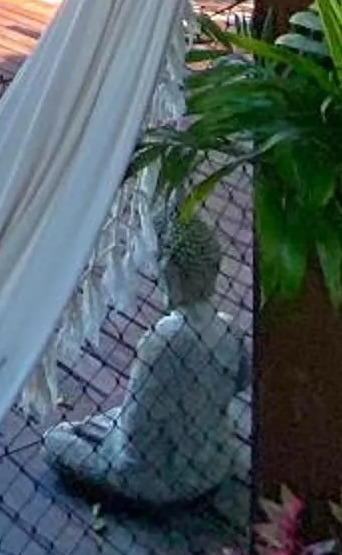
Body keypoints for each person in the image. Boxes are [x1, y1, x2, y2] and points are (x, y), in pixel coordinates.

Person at [43, 211, 246, 510]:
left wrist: (107, 434)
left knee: (55, 441)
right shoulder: (229, 327)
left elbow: (135, 435)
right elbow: (238, 385)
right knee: (112, 418)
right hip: (213, 461)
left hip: (153, 479)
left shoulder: (162, 339)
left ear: (170, 273)